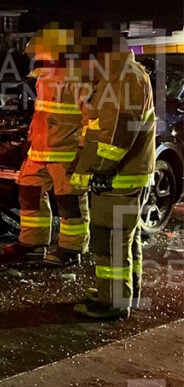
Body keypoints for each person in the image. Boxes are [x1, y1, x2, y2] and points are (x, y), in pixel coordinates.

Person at [70, 28, 156, 320]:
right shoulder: (122, 76)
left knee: (110, 241)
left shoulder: (126, 78)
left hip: (118, 176)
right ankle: (123, 292)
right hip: (123, 174)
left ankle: (114, 301)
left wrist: (103, 168)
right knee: (124, 240)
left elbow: (121, 128)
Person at [5, 25, 91, 266]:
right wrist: (30, 140)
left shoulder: (77, 78)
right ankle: (32, 244)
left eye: (41, 52)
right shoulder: (44, 77)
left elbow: (90, 118)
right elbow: (41, 114)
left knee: (70, 201)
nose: (37, 56)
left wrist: (83, 151)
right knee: (29, 191)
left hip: (66, 152)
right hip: (40, 151)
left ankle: (70, 249)